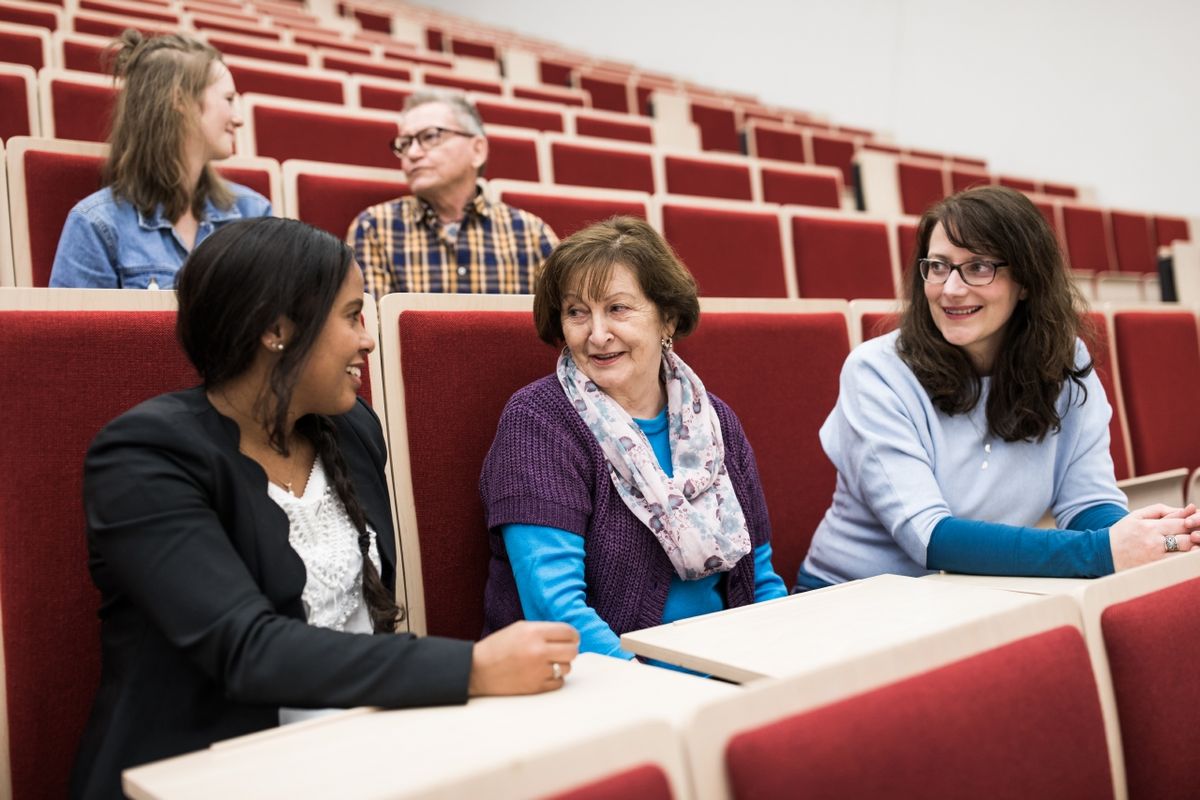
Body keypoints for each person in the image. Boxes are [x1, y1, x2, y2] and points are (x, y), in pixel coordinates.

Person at [71, 218, 579, 799]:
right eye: (351, 314)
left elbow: (364, 618)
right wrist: (472, 669)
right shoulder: (143, 456)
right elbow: (246, 650)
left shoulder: (352, 428)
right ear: (277, 329)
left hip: (361, 746)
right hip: (210, 767)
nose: (368, 338)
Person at [798, 186, 1200, 589]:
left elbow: (1088, 503)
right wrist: (1104, 553)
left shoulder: (1064, 362)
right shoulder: (876, 371)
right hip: (850, 598)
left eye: (978, 267)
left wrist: (1146, 541)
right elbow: (929, 537)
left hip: (977, 591)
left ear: (1025, 281)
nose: (951, 288)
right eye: (938, 266)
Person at [480, 216, 788, 662]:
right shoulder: (538, 423)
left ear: (668, 318)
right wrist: (662, 691)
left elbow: (759, 579)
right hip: (605, 685)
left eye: (618, 309)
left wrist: (783, 667)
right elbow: (559, 614)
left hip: (729, 668)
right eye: (576, 312)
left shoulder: (714, 420)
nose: (597, 334)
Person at [50, 31, 271, 289]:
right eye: (229, 100)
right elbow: (79, 331)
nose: (239, 118)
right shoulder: (97, 224)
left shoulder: (254, 213)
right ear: (180, 100)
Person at [348, 89, 558, 297]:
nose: (412, 154)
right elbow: (373, 329)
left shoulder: (531, 234)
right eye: (405, 143)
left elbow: (560, 324)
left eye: (430, 136)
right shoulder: (374, 227)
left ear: (477, 150)